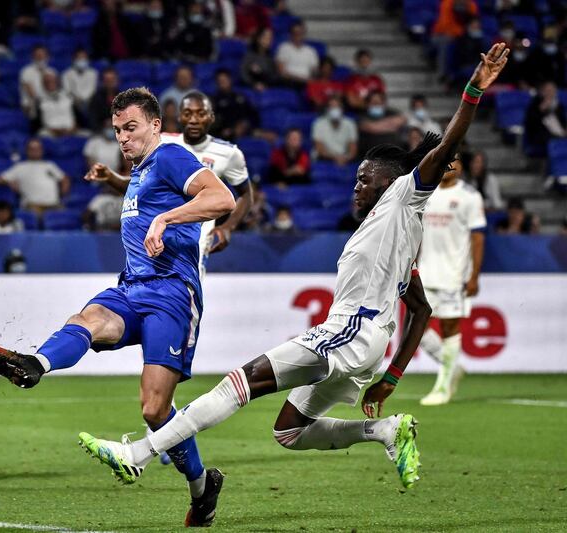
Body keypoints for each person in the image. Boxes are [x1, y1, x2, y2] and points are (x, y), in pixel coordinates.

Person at [77, 45, 508, 509]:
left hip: (348, 332)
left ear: (392, 181)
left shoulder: (404, 197)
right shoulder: (392, 236)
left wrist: (474, 89)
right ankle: (384, 430)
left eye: (366, 179)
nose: (356, 186)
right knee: (289, 430)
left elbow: (444, 148)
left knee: (236, 385)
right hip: (367, 344)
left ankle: (137, 454)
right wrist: (392, 377)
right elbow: (420, 309)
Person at [0, 87, 236, 527]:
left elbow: (221, 199)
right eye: (117, 131)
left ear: (154, 125)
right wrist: (116, 180)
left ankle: (202, 487)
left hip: (172, 294)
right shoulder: (142, 170)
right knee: (87, 320)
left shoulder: (170, 156)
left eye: (131, 128)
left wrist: (165, 220)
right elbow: (150, 194)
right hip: (131, 288)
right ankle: (34, 363)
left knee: (154, 410)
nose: (123, 138)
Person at [88, 91, 253, 279]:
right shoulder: (160, 142)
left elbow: (243, 195)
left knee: (183, 295)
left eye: (200, 113)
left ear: (211, 117)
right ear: (179, 116)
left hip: (193, 241)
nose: (193, 119)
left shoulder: (229, 153)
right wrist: (111, 177)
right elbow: (145, 189)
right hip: (158, 247)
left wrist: (228, 227)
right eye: (187, 113)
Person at [416, 152, 486, 406]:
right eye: (446, 160)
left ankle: (443, 386)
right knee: (416, 332)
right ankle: (453, 368)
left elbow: (477, 238)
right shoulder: (426, 193)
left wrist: (474, 276)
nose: (449, 165)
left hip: (454, 275)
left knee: (449, 329)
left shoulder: (469, 196)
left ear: (461, 166)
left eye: (454, 161)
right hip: (426, 273)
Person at [0, 138, 70, 214]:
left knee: (66, 216)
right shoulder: (20, 167)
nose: (35, 151)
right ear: (27, 150)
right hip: (32, 206)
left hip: (53, 205)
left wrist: (61, 195)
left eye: (38, 148)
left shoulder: (49, 165)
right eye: (32, 149)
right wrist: (9, 182)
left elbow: (64, 179)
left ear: (42, 150)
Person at [312, 96, 358, 165]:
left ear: (342, 109)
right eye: (332, 107)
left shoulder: (350, 124)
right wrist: (335, 157)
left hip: (345, 159)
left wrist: (346, 158)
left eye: (337, 106)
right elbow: (319, 148)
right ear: (327, 109)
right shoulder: (318, 123)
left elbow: (353, 148)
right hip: (325, 158)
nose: (335, 109)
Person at [275, 20, 319, 89]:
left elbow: (315, 72)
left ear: (304, 34)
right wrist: (299, 79)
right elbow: (281, 72)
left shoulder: (311, 51)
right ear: (290, 34)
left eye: (300, 33)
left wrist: (311, 79)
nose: (298, 36)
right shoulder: (284, 48)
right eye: (295, 33)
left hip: (307, 84)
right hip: (290, 82)